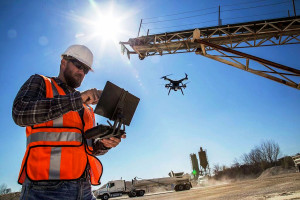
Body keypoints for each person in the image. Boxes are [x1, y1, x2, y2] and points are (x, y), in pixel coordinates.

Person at [12, 44, 126, 200]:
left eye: (85, 70)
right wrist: (77, 99)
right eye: (78, 65)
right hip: (45, 189)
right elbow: (20, 112)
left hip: (84, 188)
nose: (81, 72)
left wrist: (105, 144)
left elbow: (87, 148)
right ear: (63, 62)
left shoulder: (86, 107)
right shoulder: (42, 82)